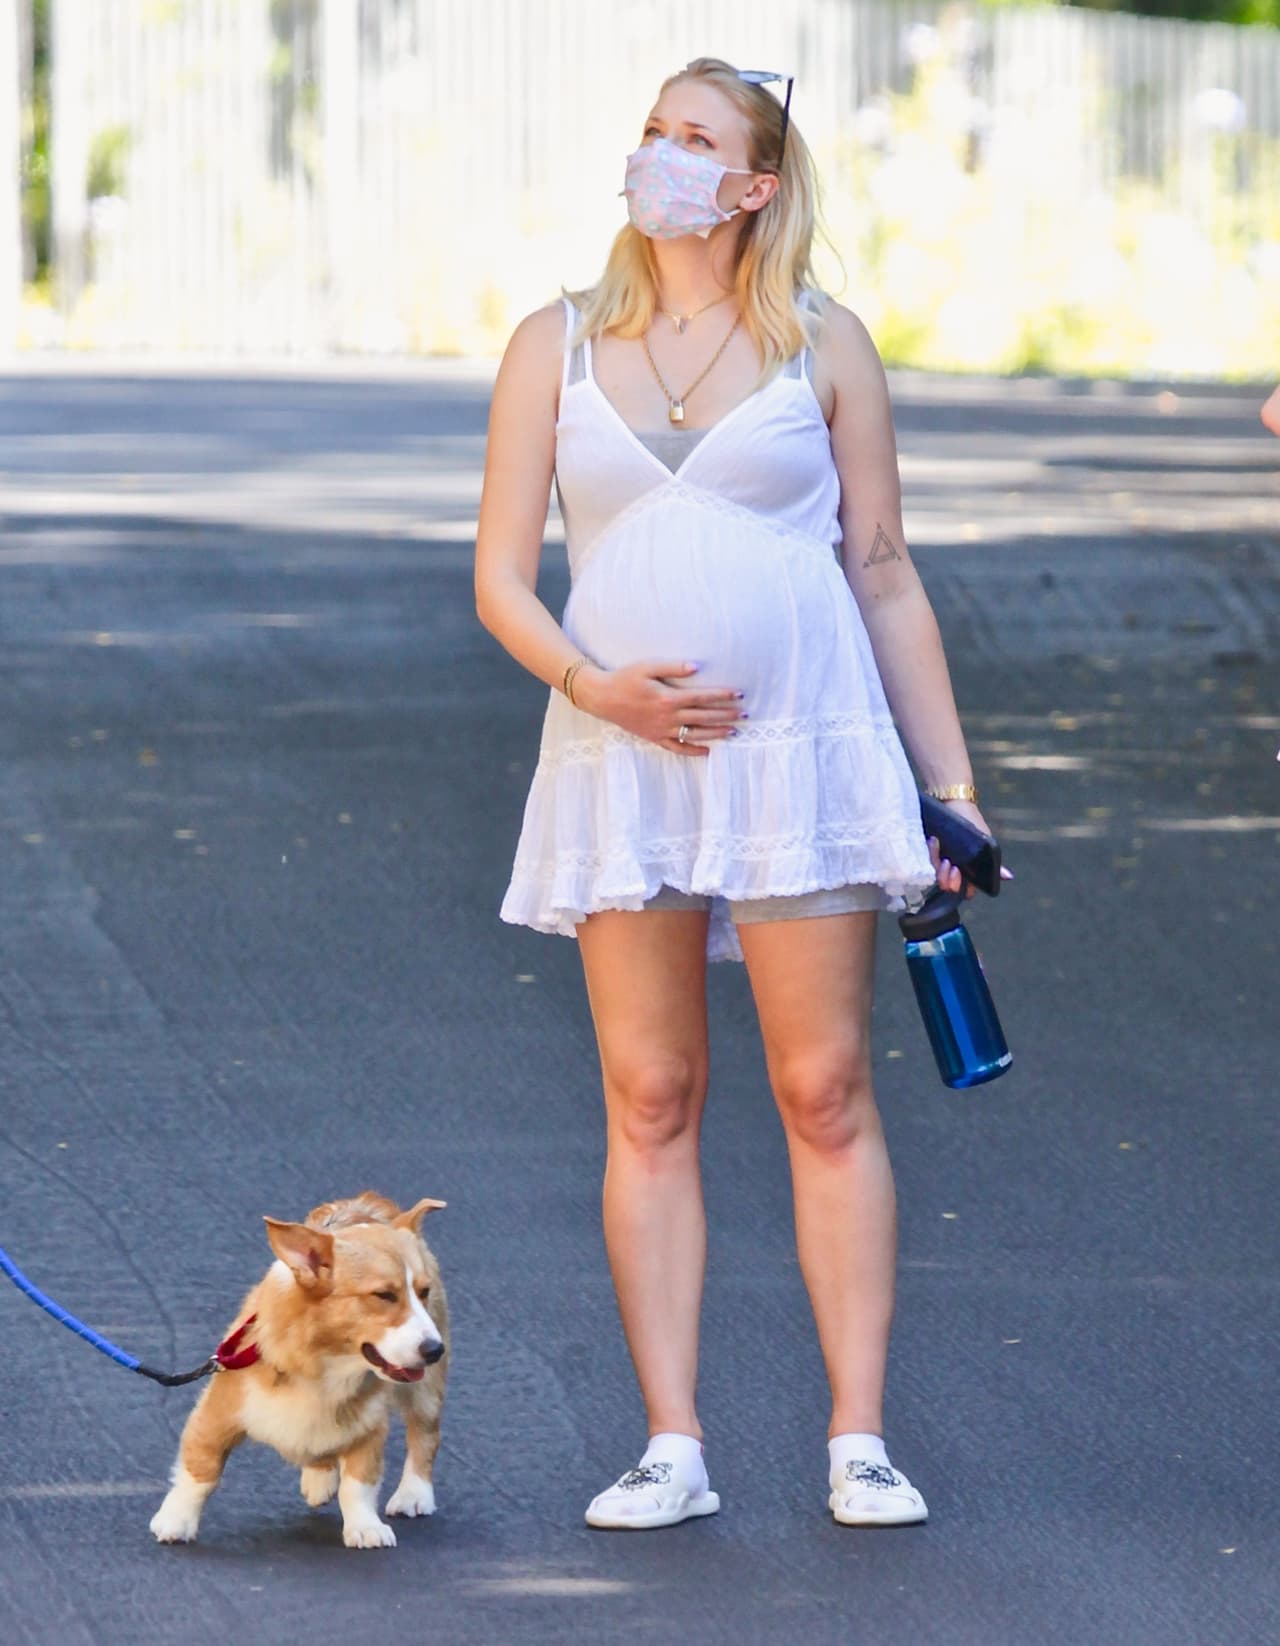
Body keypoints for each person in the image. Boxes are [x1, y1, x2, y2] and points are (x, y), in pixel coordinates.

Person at [475, 56, 1002, 1531]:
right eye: (652, 129)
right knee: (650, 1094)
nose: (661, 156)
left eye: (695, 139)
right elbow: (502, 579)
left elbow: (884, 574)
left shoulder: (825, 344)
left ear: (756, 186)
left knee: (822, 1089)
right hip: (622, 755)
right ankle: (671, 1442)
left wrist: (948, 789)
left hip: (807, 754)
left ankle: (858, 1438)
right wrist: (595, 686)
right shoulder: (555, 344)